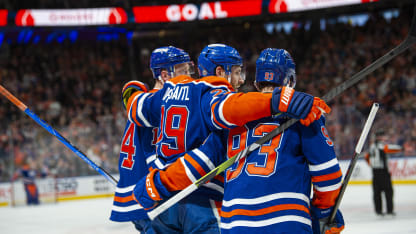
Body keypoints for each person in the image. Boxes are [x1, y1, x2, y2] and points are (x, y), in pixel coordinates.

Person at [131, 48, 344, 234]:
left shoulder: (233, 121)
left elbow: (197, 164)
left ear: (256, 82)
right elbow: (329, 177)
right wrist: (323, 213)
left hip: (236, 223)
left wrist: (156, 184)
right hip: (287, 221)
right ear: (290, 81)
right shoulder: (305, 112)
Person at [110, 46, 193, 233]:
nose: (189, 77)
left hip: (135, 196)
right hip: (152, 199)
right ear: (165, 75)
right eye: (183, 71)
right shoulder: (165, 105)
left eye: (189, 70)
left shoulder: (142, 103)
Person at [364, 129, 402, 216]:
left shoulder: (372, 146)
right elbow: (389, 148)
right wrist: (402, 148)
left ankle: (378, 210)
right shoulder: (380, 146)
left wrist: (372, 165)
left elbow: (366, 157)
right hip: (383, 172)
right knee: (388, 191)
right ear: (379, 137)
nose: (385, 138)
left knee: (377, 192)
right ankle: (389, 210)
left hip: (375, 172)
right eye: (383, 136)